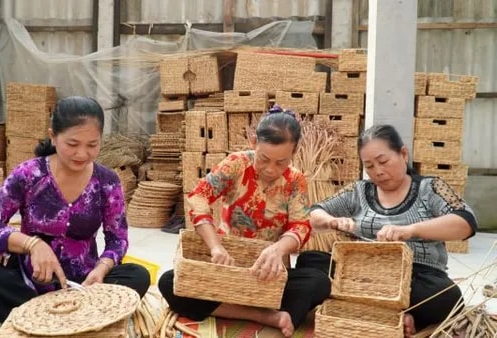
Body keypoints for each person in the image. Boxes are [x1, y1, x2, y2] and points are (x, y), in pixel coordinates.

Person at [0, 96, 150, 323]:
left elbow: (118, 239)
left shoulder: (107, 181)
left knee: (137, 275)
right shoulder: (29, 174)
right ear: (53, 136)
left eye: (92, 145)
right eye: (72, 144)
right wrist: (32, 244)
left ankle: (55, 318)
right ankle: (52, 316)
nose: (82, 154)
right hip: (27, 286)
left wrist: (102, 268)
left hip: (83, 286)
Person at [158, 106, 331, 337]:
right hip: (228, 268)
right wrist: (215, 246)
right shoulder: (236, 164)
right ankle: (265, 315)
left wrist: (277, 250)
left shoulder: (295, 180)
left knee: (319, 282)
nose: (271, 169)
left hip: (267, 274)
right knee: (170, 282)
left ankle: (240, 307)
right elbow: (199, 196)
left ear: (294, 152)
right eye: (264, 159)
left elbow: (300, 225)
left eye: (281, 162)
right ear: (253, 142)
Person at [309, 124, 477, 338]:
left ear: (403, 154)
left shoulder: (430, 187)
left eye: (383, 161)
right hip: (362, 273)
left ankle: (371, 312)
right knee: (311, 263)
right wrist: (332, 221)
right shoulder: (360, 190)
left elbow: (466, 222)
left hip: (416, 276)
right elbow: (315, 213)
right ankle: (394, 317)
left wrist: (410, 230)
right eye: (369, 166)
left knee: (447, 297)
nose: (377, 171)